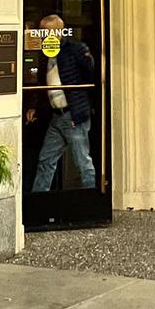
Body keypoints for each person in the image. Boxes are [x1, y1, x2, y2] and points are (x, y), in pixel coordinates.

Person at [25, 14, 97, 192]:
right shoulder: (46, 53)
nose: (42, 35)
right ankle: (39, 201)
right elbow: (43, 82)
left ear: (58, 31)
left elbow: (90, 73)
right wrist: (35, 107)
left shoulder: (74, 49)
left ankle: (91, 200)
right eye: (42, 32)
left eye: (46, 31)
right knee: (46, 160)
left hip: (73, 115)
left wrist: (82, 109)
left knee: (82, 161)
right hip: (57, 116)